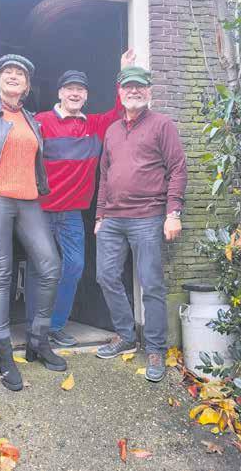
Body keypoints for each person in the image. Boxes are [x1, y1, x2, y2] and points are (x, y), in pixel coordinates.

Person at [0, 54, 67, 392]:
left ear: (27, 84)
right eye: (7, 71)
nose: (13, 76)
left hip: (28, 200)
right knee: (2, 272)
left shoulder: (31, 120)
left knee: (50, 266)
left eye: (20, 73)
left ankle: (38, 340)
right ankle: (4, 353)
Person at [25, 50, 136, 348]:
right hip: (40, 211)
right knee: (40, 270)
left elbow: (119, 111)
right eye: (70, 89)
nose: (75, 94)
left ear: (86, 96)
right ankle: (35, 329)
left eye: (80, 90)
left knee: (73, 268)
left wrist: (124, 72)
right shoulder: (41, 122)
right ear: (60, 93)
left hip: (72, 213)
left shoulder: (95, 126)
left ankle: (55, 326)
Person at [94, 66, 187, 382]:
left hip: (148, 217)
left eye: (140, 87)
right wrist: (100, 215)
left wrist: (173, 213)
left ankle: (156, 348)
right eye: (128, 87)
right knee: (106, 276)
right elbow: (104, 176)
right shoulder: (112, 131)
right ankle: (125, 335)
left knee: (151, 284)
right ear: (120, 93)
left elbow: (177, 169)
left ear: (149, 91)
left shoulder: (162, 125)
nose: (134, 91)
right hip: (112, 218)